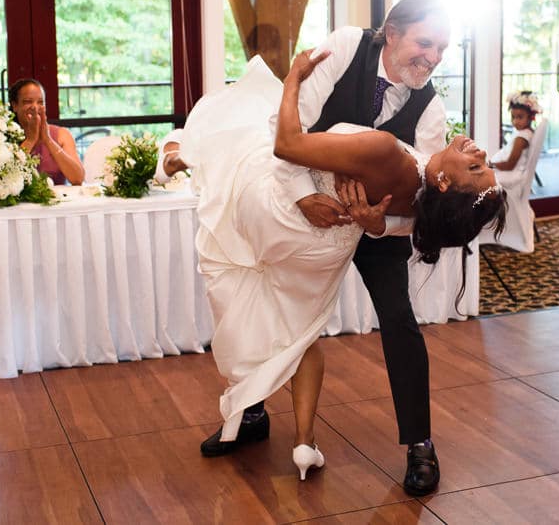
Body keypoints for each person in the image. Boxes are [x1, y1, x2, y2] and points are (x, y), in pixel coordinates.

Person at [189, 50, 506, 483]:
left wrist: (379, 225)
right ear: (392, 36)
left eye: (439, 48)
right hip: (311, 210)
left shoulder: (429, 103)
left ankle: (420, 446)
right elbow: (286, 138)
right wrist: (303, 196)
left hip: (379, 225)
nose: (432, 57)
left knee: (399, 321)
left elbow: (432, 202)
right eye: (425, 44)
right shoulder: (345, 55)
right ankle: (252, 412)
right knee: (269, 299)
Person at [9, 79, 84, 185]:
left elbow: (78, 179)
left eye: (40, 102)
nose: (35, 107)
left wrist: (48, 140)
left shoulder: (61, 134)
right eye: (28, 102)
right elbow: (6, 180)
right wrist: (30, 141)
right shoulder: (5, 136)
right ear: (15, 105)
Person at [488, 90, 539, 189]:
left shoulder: (521, 138)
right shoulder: (526, 132)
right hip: (509, 171)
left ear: (530, 117)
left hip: (510, 173)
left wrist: (490, 165)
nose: (515, 121)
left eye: (520, 117)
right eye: (513, 117)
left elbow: (509, 165)